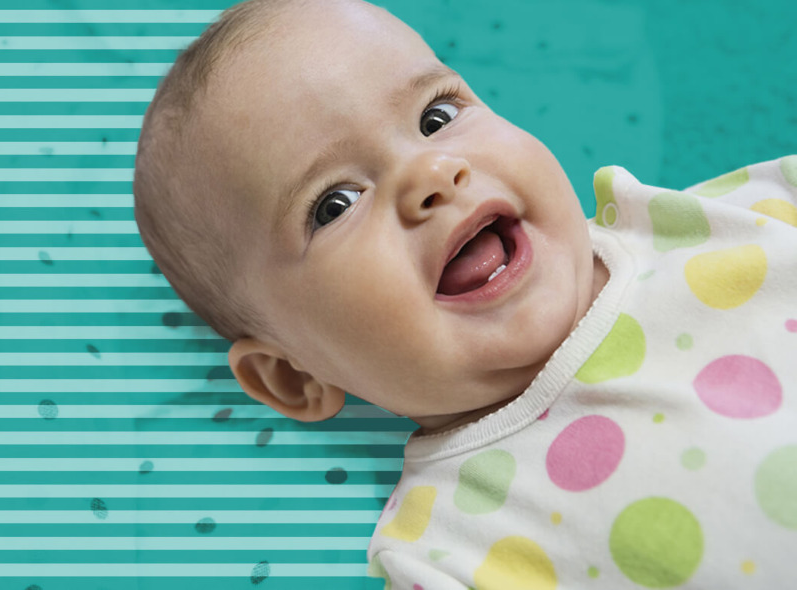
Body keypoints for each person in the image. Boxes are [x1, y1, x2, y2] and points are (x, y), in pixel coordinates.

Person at [133, 0, 797, 587]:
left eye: (436, 115)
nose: (431, 173)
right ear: (290, 377)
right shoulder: (446, 549)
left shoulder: (712, 223)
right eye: (334, 204)